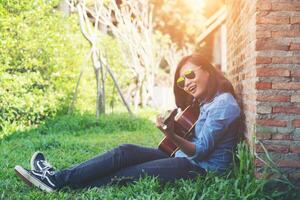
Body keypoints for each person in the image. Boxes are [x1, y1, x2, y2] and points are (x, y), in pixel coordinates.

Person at [14, 53, 241, 192]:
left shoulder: (224, 104)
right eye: (182, 81)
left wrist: (171, 134)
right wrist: (174, 125)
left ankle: (56, 180)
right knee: (124, 151)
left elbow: (200, 152)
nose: (187, 83)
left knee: (129, 172)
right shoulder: (204, 101)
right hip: (182, 157)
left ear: (208, 70)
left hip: (200, 168)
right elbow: (194, 134)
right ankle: (56, 178)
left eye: (191, 75)